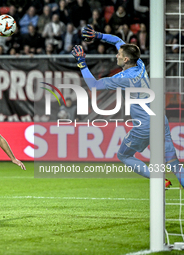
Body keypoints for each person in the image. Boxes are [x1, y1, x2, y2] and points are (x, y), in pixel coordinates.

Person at [72, 25, 184, 188]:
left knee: (124, 155)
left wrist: (81, 62)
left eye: (119, 54)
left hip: (145, 125)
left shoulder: (122, 78)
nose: (116, 55)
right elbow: (117, 40)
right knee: (174, 163)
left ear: (125, 59)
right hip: (160, 119)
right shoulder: (139, 64)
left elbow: (93, 85)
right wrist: (97, 35)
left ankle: (157, 179)